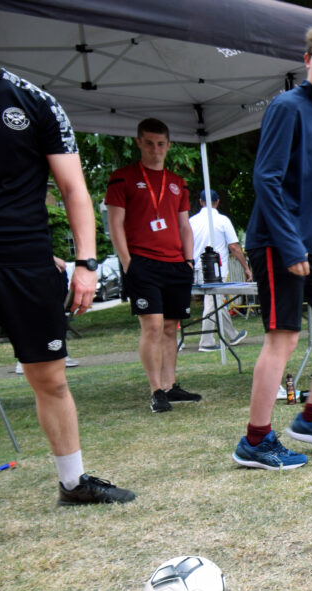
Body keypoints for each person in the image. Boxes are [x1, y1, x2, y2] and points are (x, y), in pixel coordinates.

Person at [0, 0, 135, 546]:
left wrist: (84, 263)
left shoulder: (33, 102)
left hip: (26, 262)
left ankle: (73, 481)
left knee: (48, 379)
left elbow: (75, 191)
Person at [231, 21, 312, 470]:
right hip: (276, 242)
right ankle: (256, 441)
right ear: (308, 62)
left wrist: (307, 243)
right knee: (282, 340)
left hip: (307, 243)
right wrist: (290, 247)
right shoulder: (288, 106)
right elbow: (265, 178)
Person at [106, 117, 200, 413]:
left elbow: (185, 226)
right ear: (138, 143)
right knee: (153, 326)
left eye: (160, 144)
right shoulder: (122, 178)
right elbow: (115, 224)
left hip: (175, 263)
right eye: (149, 143)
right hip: (142, 262)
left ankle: (171, 386)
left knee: (171, 327)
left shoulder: (177, 183)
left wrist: (188, 261)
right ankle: (155, 389)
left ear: (169, 146)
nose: (155, 149)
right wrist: (127, 262)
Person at [189, 189, 250, 352]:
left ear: (201, 202)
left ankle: (232, 334)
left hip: (196, 268)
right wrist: (246, 268)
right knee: (212, 303)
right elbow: (234, 247)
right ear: (218, 202)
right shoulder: (223, 221)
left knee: (217, 302)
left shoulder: (192, 221)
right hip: (215, 268)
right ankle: (206, 341)